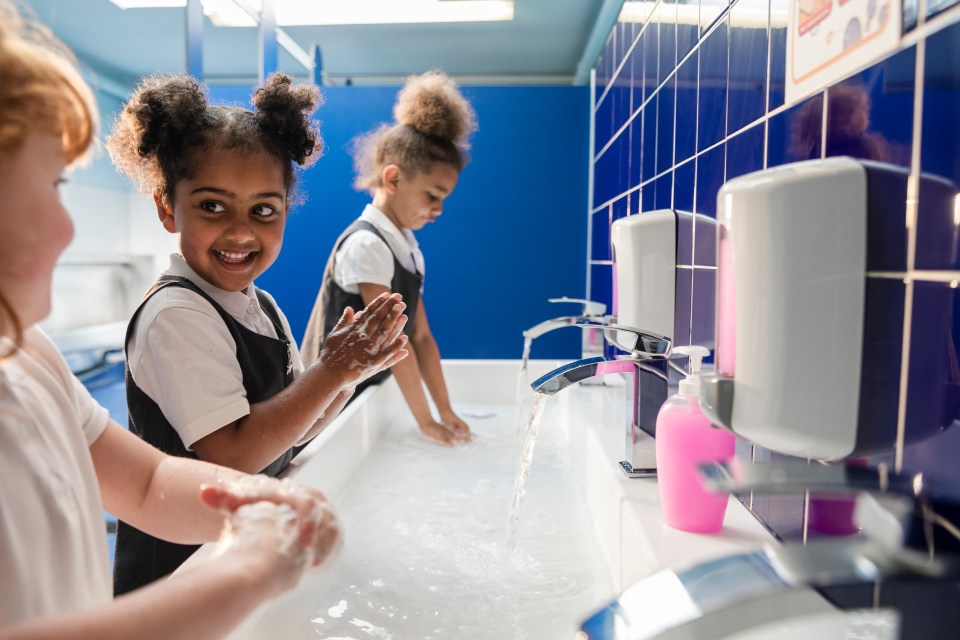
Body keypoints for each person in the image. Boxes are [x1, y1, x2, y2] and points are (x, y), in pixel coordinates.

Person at [0, 2, 342, 637]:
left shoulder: (32, 358)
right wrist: (250, 570)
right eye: (49, 187)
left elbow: (150, 482)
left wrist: (262, 506)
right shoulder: (173, 314)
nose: (69, 226)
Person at [106, 71, 408, 595]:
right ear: (165, 206)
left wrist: (347, 377)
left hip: (237, 554)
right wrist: (332, 369)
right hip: (177, 575)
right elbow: (233, 454)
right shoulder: (176, 315)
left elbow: (288, 432)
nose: (242, 231)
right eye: (212, 206)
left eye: (263, 210)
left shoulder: (259, 306)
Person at [301, 71, 475, 447]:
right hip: (323, 409)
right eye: (432, 196)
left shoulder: (405, 246)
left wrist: (445, 411)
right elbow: (395, 342)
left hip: (359, 397)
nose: (439, 209)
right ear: (393, 180)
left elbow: (422, 336)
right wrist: (425, 421)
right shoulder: (368, 244)